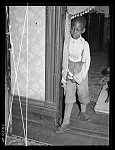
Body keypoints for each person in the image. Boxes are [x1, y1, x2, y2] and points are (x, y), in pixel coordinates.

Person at [55, 15, 91, 134]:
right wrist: (67, 74)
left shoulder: (85, 45)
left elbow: (86, 63)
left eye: (78, 29)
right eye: (72, 28)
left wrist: (78, 76)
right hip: (69, 72)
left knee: (82, 93)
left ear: (83, 30)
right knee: (69, 97)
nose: (74, 32)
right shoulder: (67, 42)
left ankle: (83, 112)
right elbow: (65, 59)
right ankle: (66, 122)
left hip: (81, 73)